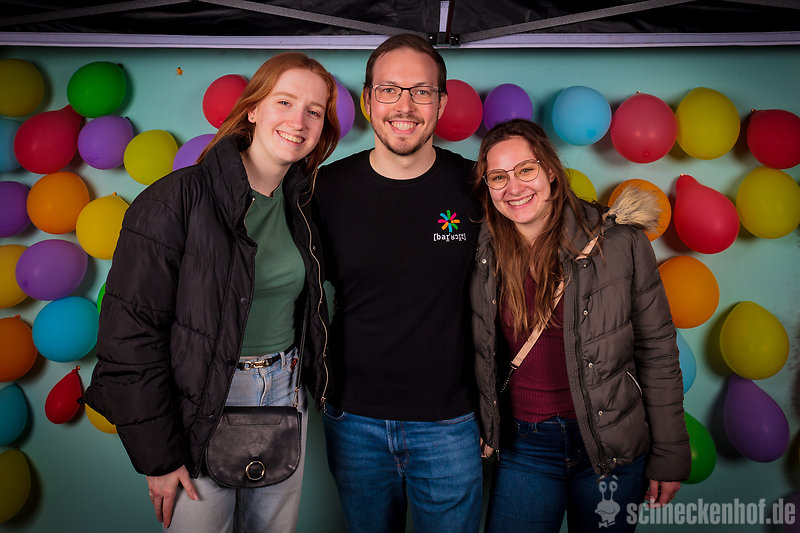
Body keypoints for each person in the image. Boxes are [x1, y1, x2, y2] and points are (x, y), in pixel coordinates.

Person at [84, 52, 339, 532]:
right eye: (285, 101)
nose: (299, 120)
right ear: (253, 109)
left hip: (283, 392)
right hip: (199, 402)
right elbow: (129, 335)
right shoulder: (174, 200)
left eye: (314, 110)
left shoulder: (305, 206)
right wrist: (159, 457)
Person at [470, 119, 690, 532]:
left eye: (525, 170)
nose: (514, 187)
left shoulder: (618, 241)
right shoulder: (482, 249)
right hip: (524, 446)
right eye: (498, 177)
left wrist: (670, 453)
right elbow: (473, 348)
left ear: (551, 171)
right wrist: (486, 421)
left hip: (610, 445)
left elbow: (657, 349)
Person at [310, 34, 486, 533]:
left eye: (421, 91)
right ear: (368, 100)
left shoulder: (478, 187)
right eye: (389, 89)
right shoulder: (324, 190)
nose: (404, 106)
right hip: (353, 420)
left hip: (452, 422)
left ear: (441, 103)